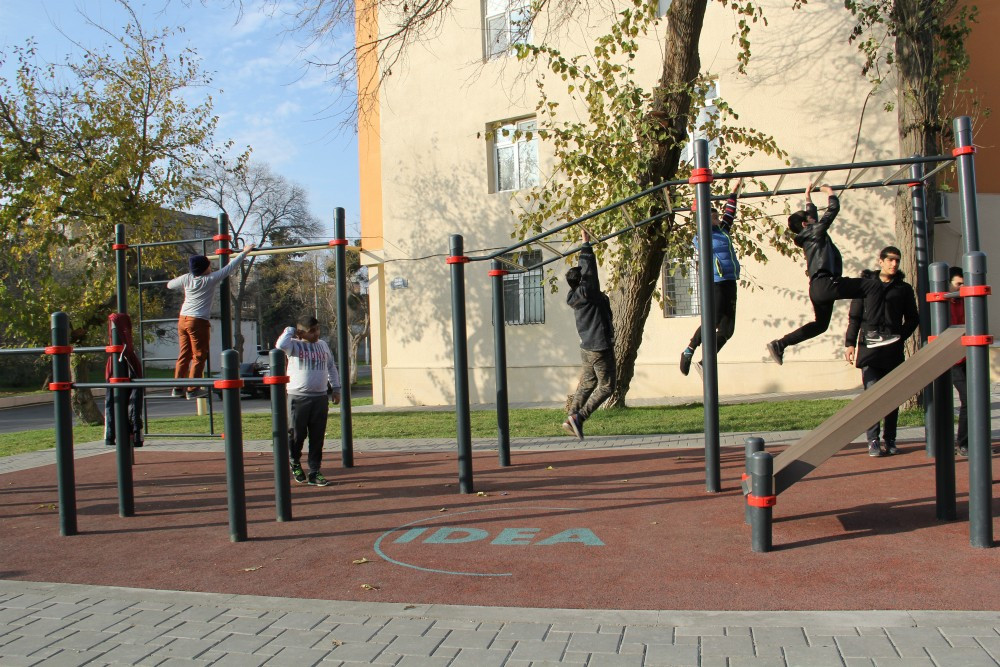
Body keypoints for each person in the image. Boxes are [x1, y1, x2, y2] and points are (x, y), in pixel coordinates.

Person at [766, 183, 900, 365]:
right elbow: (833, 210)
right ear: (805, 224)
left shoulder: (808, 235)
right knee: (874, 285)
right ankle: (873, 333)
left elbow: (810, 216)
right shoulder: (815, 231)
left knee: (820, 325)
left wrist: (808, 197)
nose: (815, 219)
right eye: (811, 219)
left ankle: (780, 344)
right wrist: (829, 192)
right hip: (828, 283)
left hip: (816, 289)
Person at [844, 246, 918, 457]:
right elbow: (854, 317)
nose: (894, 264)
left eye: (897, 260)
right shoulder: (866, 285)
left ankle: (890, 439)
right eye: (890, 260)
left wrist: (899, 336)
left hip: (892, 351)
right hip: (869, 350)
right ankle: (873, 440)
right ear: (881, 261)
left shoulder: (903, 289)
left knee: (892, 396)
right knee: (872, 394)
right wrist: (850, 343)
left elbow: (913, 318)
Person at [167, 243, 255, 399]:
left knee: (184, 354)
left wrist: (186, 281)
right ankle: (193, 389)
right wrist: (244, 252)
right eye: (208, 266)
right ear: (204, 269)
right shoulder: (209, 279)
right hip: (197, 320)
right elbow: (230, 268)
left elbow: (169, 285)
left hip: (183, 319)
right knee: (199, 355)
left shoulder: (187, 278)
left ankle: (177, 387)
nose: (210, 268)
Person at [680, 178, 743, 377]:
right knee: (713, 319)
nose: (717, 220)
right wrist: (700, 206)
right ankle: (689, 349)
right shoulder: (702, 236)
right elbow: (700, 218)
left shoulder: (723, 231)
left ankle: (704, 363)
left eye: (717, 217)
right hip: (717, 282)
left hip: (730, 281)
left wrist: (733, 193)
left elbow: (730, 213)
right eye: (713, 218)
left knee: (727, 330)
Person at [562, 228, 615, 441]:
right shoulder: (587, 292)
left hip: (586, 346)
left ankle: (571, 417)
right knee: (607, 386)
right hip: (599, 346)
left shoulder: (575, 295)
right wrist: (586, 245)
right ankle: (580, 417)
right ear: (582, 281)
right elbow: (589, 271)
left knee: (588, 382)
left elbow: (584, 276)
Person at [276, 316, 341, 486]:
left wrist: (336, 388)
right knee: (297, 435)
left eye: (318, 329)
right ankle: (295, 462)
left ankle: (314, 471)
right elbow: (280, 345)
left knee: (317, 436)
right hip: (298, 397)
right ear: (301, 332)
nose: (316, 333)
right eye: (312, 331)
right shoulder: (293, 345)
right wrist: (292, 330)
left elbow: (331, 367)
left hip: (320, 397)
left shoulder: (323, 345)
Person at [103, 313, 144, 449]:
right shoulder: (124, 358)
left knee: (124, 401)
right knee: (123, 401)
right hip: (121, 366)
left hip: (123, 365)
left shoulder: (125, 357)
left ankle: (121, 434)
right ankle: (118, 434)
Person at [948, 266, 969, 457]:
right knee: (968, 399)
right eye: (958, 284)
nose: (961, 288)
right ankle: (963, 443)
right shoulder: (944, 304)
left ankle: (972, 441)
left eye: (964, 284)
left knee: (976, 398)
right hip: (952, 359)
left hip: (968, 356)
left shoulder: (968, 301)